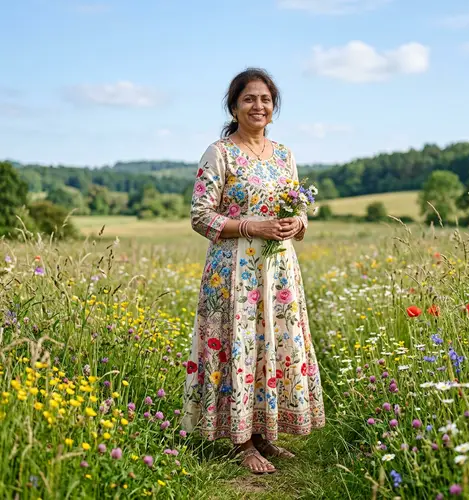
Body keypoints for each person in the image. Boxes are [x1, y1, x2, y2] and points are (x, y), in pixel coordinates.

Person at [181, 68, 325, 474]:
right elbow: (200, 216)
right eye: (249, 99)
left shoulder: (285, 155)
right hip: (232, 270)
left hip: (278, 269)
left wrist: (298, 225)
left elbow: (298, 209)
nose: (258, 106)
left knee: (270, 343)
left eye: (265, 99)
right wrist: (250, 225)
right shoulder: (220, 152)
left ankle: (265, 435)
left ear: (273, 108)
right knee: (239, 342)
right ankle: (240, 441)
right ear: (234, 106)